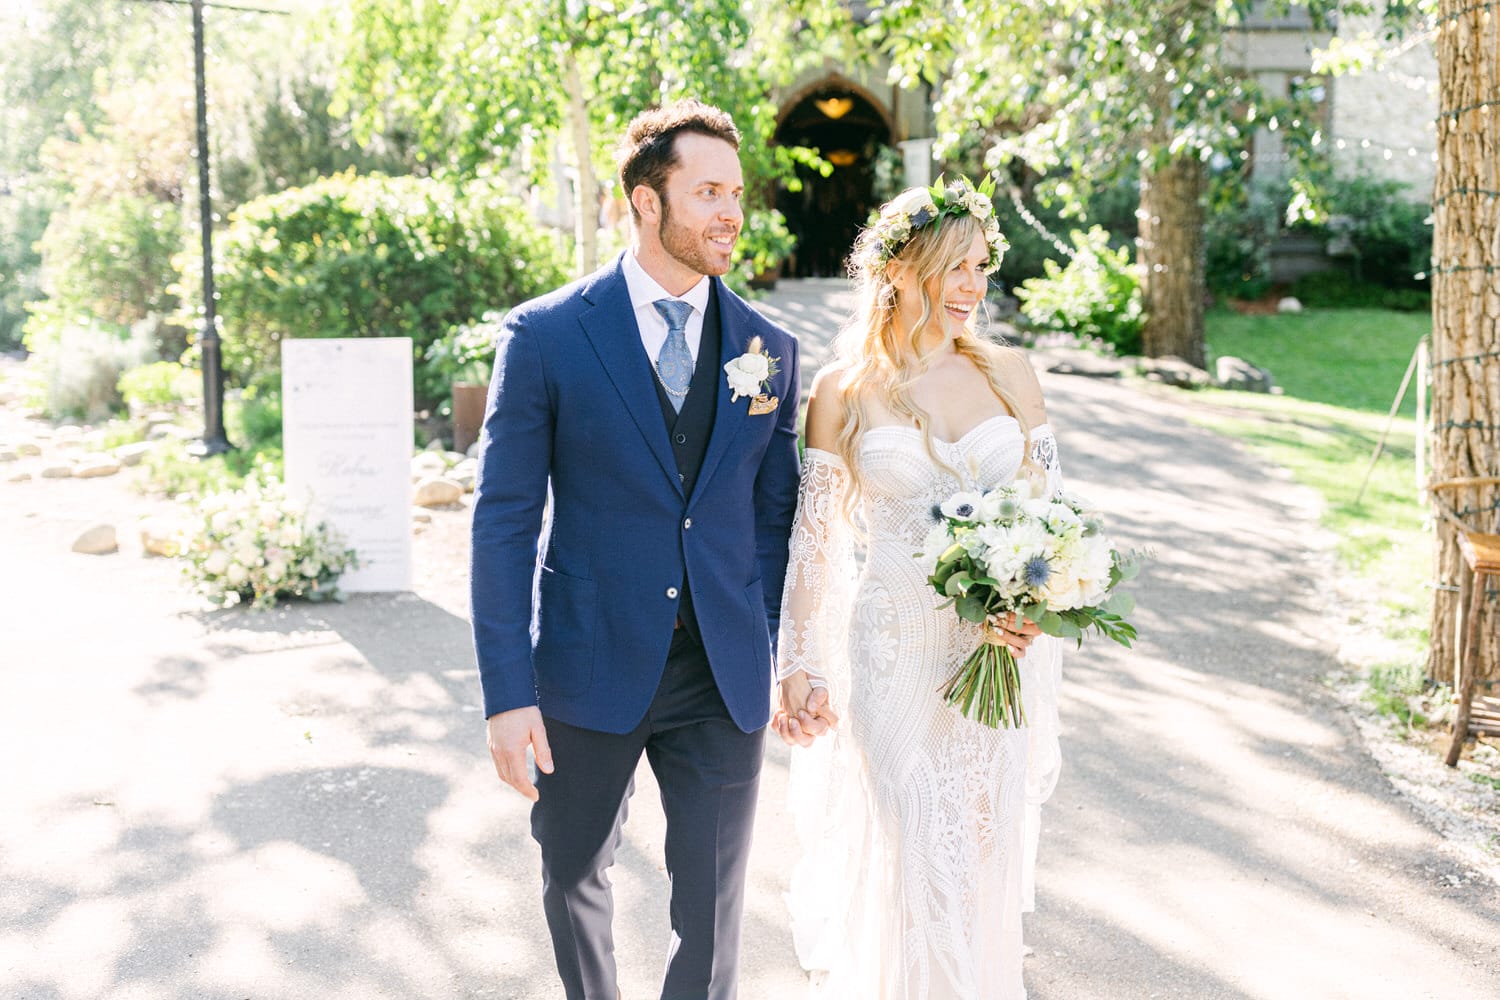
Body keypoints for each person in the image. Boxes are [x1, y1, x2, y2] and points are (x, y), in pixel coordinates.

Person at [470, 99, 802, 1000]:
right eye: (706, 192)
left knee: (715, 905)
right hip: (587, 663)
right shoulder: (545, 336)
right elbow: (503, 520)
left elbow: (776, 520)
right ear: (644, 204)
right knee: (573, 877)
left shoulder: (770, 348)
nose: (731, 211)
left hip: (722, 672)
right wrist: (507, 694)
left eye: (736, 192)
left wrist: (774, 649)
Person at [772, 176, 1065, 999]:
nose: (974, 286)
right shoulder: (842, 390)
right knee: (910, 838)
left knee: (977, 851)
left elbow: (1056, 520)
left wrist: (1036, 609)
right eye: (956, 266)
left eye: (982, 266)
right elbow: (816, 543)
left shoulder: (1011, 373)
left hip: (993, 655)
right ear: (899, 268)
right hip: (895, 651)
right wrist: (801, 662)